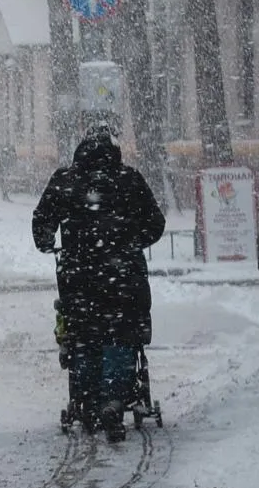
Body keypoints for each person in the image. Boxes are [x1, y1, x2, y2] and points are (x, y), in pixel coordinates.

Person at [31, 124, 165, 440]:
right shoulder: (129, 180)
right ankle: (114, 398)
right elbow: (156, 224)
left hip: (79, 279)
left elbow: (41, 223)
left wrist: (51, 243)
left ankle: (88, 398)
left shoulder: (64, 181)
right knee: (120, 335)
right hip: (124, 278)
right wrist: (131, 243)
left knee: (84, 337)